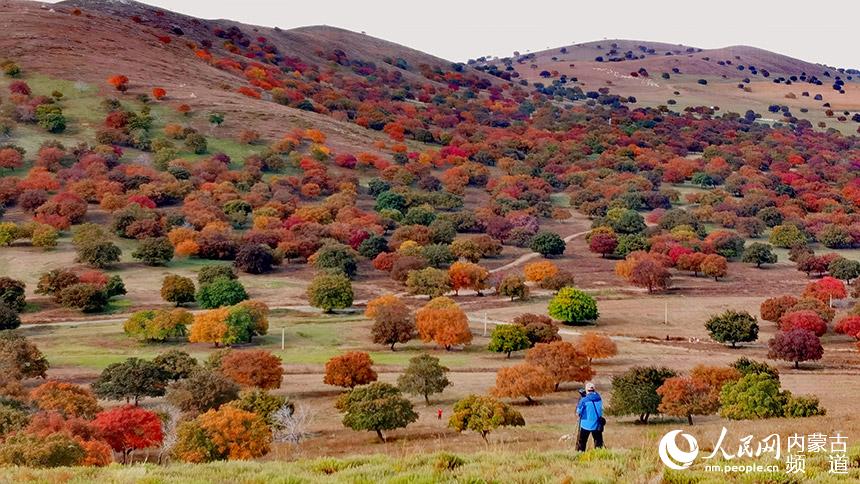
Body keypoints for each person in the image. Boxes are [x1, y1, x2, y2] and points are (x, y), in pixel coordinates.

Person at [575, 381, 604, 451]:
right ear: (594, 389)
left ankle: (581, 454)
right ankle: (599, 455)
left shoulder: (584, 400)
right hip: (597, 424)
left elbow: (578, 412)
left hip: (586, 424)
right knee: (598, 442)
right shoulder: (599, 398)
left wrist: (582, 398)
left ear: (586, 390)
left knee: (582, 441)